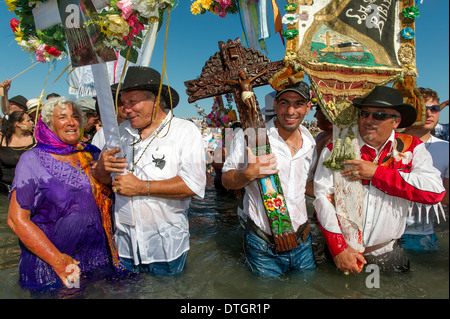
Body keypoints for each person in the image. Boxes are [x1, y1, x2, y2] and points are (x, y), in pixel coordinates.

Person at [313, 86, 446, 274]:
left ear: (396, 121)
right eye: (364, 114)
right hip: (341, 253)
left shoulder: (412, 147)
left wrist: (377, 174)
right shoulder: (336, 149)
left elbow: (435, 193)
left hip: (386, 253)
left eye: (380, 115)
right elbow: (322, 199)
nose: (369, 120)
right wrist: (339, 249)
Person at [92, 66, 206, 276]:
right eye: (123, 103)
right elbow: (104, 181)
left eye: (133, 102)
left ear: (156, 100)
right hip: (124, 245)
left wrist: (141, 187)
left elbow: (193, 184)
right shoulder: (117, 134)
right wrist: (100, 171)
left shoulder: (184, 131)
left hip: (165, 247)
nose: (126, 109)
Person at [6, 97, 121, 290]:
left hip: (96, 259)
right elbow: (16, 220)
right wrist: (57, 260)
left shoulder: (93, 154)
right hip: (53, 264)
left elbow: (113, 195)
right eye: (62, 117)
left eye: (76, 116)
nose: (71, 122)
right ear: (49, 124)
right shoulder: (32, 160)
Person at [221, 82, 317, 277]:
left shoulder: (311, 142)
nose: (290, 111)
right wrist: (248, 174)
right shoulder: (251, 137)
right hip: (262, 243)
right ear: (275, 105)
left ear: (308, 108)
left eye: (298, 104)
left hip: (303, 240)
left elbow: (305, 185)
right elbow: (226, 179)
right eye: (284, 103)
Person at [401, 87, 449, 250]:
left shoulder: (446, 149)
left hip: (421, 236)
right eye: (422, 108)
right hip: (379, 234)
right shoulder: (385, 143)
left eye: (434, 108)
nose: (429, 114)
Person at [0, 111, 35, 192]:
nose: (32, 122)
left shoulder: (36, 138)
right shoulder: (2, 138)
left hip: (31, 188)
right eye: (28, 121)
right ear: (18, 124)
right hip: (5, 191)